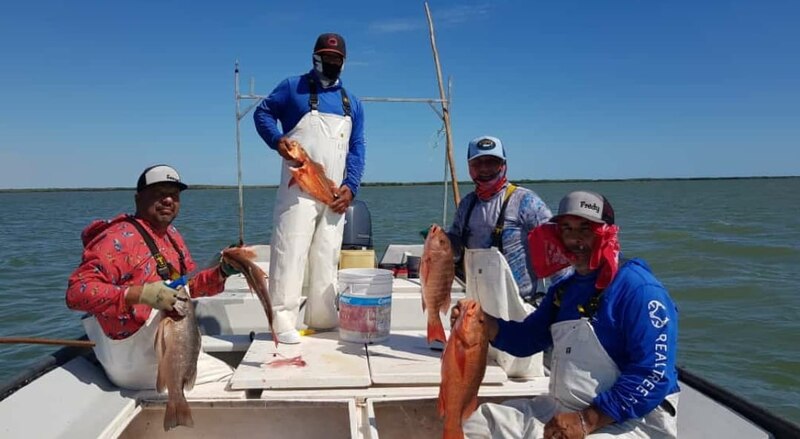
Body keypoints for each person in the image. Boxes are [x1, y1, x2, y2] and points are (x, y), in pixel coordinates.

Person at [453, 190, 680, 438]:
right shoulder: (564, 291)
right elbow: (527, 339)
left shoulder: (640, 290)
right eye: (566, 229)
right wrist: (484, 324)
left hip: (630, 421)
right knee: (476, 425)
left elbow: (653, 375)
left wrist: (587, 420)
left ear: (608, 234)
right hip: (562, 409)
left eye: (586, 229)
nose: (574, 239)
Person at [66, 164, 239, 390]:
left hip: (170, 348)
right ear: (138, 199)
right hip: (136, 363)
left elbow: (186, 289)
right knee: (231, 382)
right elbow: (76, 293)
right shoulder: (116, 238)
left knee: (230, 375)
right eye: (159, 194)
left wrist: (223, 271)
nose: (168, 200)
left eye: (174, 195)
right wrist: (139, 294)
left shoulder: (172, 236)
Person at [253, 32, 366, 344]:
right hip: (298, 189)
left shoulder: (352, 103)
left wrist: (351, 187)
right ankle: (282, 319)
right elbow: (262, 113)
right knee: (291, 250)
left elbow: (356, 148)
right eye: (325, 57)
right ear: (315, 57)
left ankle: (323, 317)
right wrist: (276, 140)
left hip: (334, 195)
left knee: (327, 255)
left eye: (335, 59)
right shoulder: (293, 87)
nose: (330, 62)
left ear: (343, 61)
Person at [447, 135, 559, 302]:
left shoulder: (525, 201)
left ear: (503, 165)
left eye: (492, 162)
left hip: (521, 304)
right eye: (478, 163)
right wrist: (438, 245)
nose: (484, 169)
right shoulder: (467, 205)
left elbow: (556, 251)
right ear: (469, 167)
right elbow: (454, 249)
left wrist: (563, 297)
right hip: (477, 303)